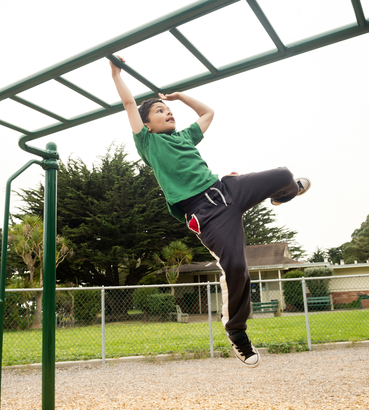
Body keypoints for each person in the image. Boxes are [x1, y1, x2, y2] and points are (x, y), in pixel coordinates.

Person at [109, 56, 311, 368]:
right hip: (205, 212)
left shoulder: (185, 137)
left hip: (226, 189)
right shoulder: (148, 144)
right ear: (148, 124)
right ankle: (237, 334)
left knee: (284, 174)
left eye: (168, 110)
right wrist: (116, 73)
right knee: (236, 267)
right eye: (160, 111)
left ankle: (285, 194)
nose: (168, 113)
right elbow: (128, 105)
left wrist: (180, 97)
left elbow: (208, 113)